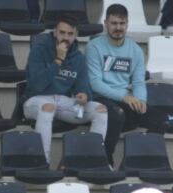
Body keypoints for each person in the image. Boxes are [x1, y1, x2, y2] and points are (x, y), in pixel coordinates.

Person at [23, 16, 109, 164]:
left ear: (75, 35)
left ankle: (93, 161)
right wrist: (58, 61)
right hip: (35, 100)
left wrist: (84, 95)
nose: (65, 37)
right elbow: (36, 85)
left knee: (100, 110)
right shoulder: (40, 50)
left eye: (70, 34)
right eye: (62, 33)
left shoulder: (78, 58)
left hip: (63, 102)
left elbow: (83, 86)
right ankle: (43, 161)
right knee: (48, 107)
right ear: (55, 32)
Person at [85, 4, 159, 164]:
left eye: (122, 23)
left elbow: (139, 82)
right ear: (106, 24)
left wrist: (141, 100)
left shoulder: (135, 50)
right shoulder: (94, 46)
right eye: (114, 23)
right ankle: (106, 160)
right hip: (101, 96)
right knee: (117, 115)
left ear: (127, 24)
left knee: (160, 120)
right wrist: (125, 98)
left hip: (124, 100)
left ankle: (141, 160)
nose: (118, 28)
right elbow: (95, 83)